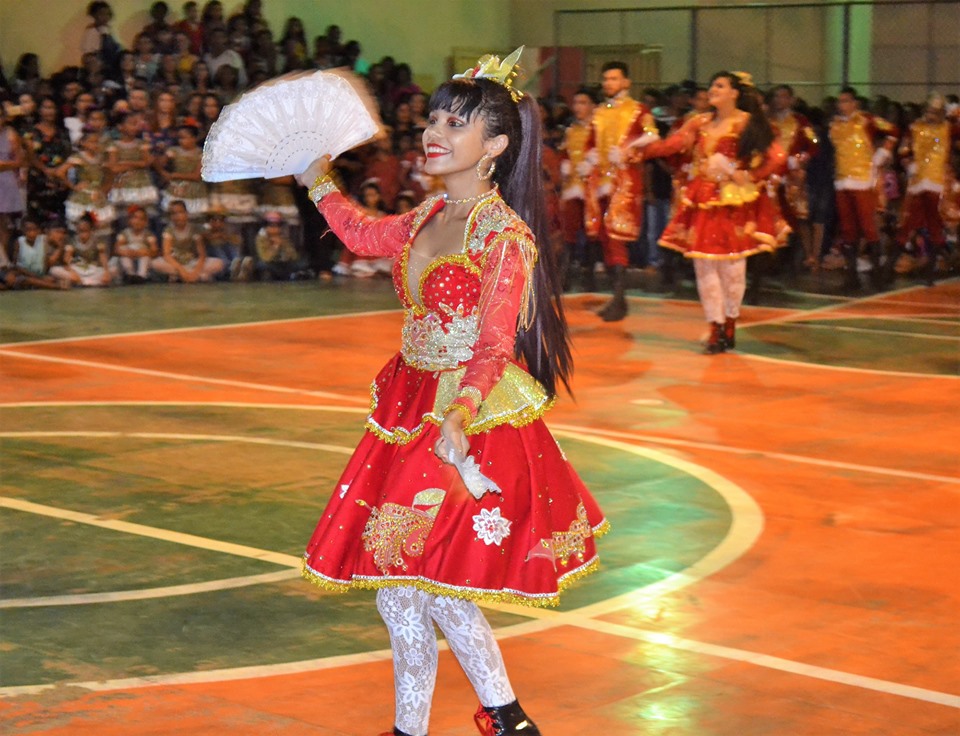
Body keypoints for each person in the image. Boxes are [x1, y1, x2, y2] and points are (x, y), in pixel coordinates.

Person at [295, 48, 606, 736]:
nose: (434, 132)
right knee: (411, 588)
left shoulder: (505, 237)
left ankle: (479, 720)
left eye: (455, 124)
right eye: (434, 118)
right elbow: (363, 232)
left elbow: (495, 344)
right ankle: (504, 718)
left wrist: (461, 411)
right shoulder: (430, 212)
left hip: (464, 417)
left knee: (415, 584)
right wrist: (317, 180)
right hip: (407, 407)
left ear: (494, 146)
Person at [636, 71, 788, 353]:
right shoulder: (699, 122)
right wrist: (641, 149)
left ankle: (730, 322)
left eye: (720, 85)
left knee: (732, 269)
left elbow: (777, 157)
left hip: (734, 202)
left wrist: (749, 175)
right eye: (712, 85)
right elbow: (674, 144)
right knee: (704, 266)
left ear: (734, 93)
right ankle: (715, 327)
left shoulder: (747, 123)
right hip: (702, 198)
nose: (712, 90)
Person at [582, 61, 659, 321]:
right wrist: (589, 157)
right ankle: (617, 297)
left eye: (614, 79)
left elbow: (652, 137)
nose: (608, 84)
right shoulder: (599, 112)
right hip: (600, 182)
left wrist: (628, 149)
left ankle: (619, 297)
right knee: (604, 236)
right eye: (606, 79)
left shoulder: (639, 110)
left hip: (624, 182)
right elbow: (591, 143)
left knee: (616, 236)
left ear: (626, 82)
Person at [828, 86, 898, 291]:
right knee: (848, 229)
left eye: (846, 101)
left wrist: (882, 153)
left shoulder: (866, 120)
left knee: (868, 226)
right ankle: (852, 276)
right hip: (842, 180)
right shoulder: (835, 125)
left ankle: (877, 274)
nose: (843, 105)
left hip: (862, 180)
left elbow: (893, 131)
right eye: (840, 102)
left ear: (855, 103)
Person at [894, 93, 960, 285]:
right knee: (908, 222)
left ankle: (930, 270)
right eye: (929, 110)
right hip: (918, 183)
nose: (932, 114)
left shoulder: (949, 128)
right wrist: (908, 163)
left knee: (934, 225)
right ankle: (890, 267)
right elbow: (903, 149)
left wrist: (955, 113)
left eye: (936, 111)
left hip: (938, 183)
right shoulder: (915, 128)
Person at [152, 198, 223, 281]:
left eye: (181, 212)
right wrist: (181, 270)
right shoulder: (168, 231)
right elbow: (167, 255)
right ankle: (196, 276)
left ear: (186, 213)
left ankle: (182, 276)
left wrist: (196, 271)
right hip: (175, 263)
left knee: (219, 263)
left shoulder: (194, 229)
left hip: (192, 262)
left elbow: (202, 255)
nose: (178, 216)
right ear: (170, 217)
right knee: (155, 263)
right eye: (174, 214)